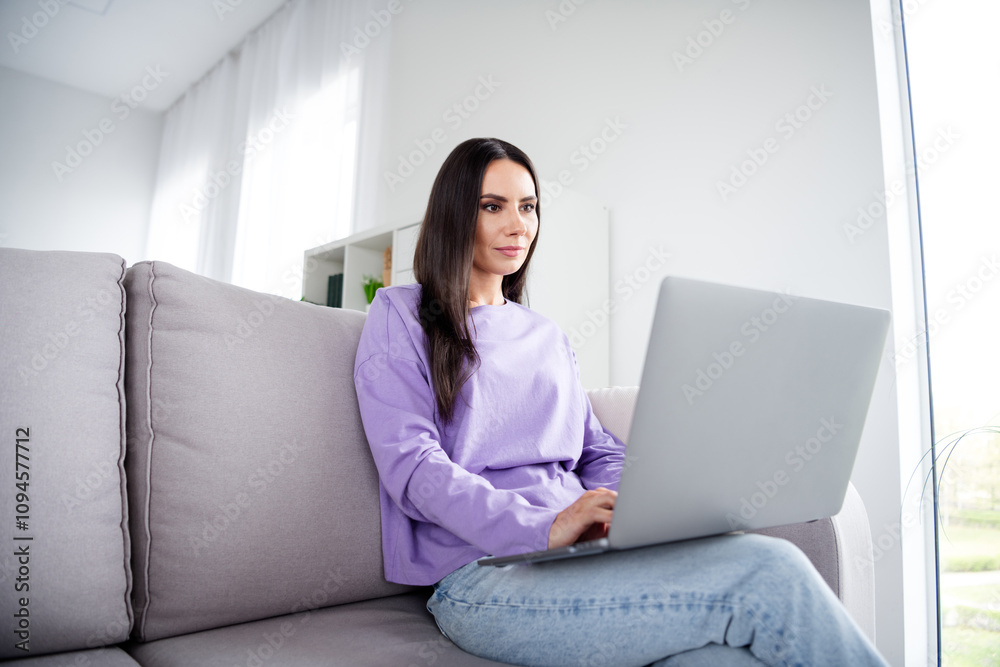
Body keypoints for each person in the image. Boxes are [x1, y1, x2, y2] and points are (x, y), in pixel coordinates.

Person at [353, 137, 887, 666]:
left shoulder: (547, 335)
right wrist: (543, 527)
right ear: (453, 214)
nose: (519, 226)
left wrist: (640, 505)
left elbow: (593, 448)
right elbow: (414, 468)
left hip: (583, 558)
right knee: (768, 568)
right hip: (483, 575)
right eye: (493, 207)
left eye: (529, 207)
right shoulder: (401, 314)